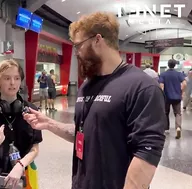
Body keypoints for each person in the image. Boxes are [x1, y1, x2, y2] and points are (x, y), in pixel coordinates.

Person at [24, 12, 166, 189]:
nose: (77, 53)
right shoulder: (88, 86)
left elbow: (147, 152)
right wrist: (50, 124)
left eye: (79, 46)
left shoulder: (141, 87)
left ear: (98, 40)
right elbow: (86, 132)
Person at [0, 59, 43, 189]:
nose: (12, 83)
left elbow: (35, 149)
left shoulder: (31, 110)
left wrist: (20, 165)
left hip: (25, 172)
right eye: (7, 78)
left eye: (17, 78)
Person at [159, 59, 186, 139]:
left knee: (165, 112)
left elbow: (161, 85)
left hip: (166, 97)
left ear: (168, 64)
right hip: (177, 97)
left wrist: (161, 94)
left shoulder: (163, 74)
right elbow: (184, 83)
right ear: (175, 65)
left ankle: (166, 129)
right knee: (177, 113)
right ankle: (178, 128)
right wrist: (182, 91)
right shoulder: (179, 74)